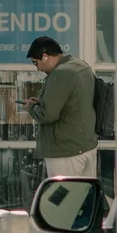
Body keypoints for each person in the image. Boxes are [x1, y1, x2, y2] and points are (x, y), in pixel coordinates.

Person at [29, 34, 99, 176]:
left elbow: (47, 115)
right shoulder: (81, 66)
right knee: (84, 195)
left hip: (65, 152)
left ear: (45, 56)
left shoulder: (60, 74)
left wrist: (30, 107)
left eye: (35, 62)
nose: (37, 68)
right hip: (86, 147)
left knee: (63, 197)